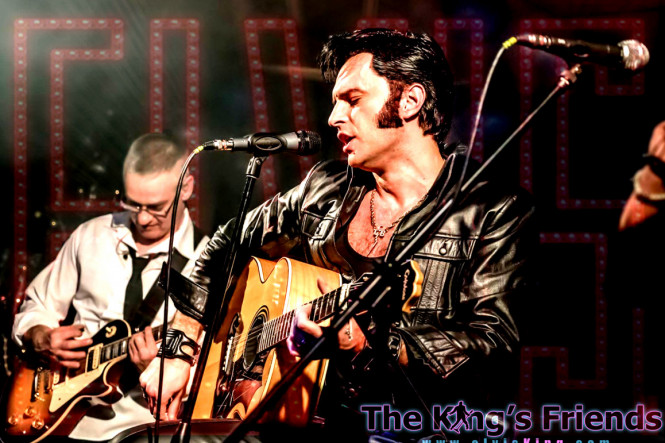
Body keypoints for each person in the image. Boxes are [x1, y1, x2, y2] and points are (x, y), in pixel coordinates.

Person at [140, 28, 536, 441]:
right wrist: (179, 347)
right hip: (299, 424)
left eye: (352, 99)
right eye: (334, 102)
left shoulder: (492, 210)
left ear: (411, 101)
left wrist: (369, 345)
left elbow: (493, 348)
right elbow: (226, 242)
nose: (333, 118)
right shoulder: (323, 188)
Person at [11, 133, 209, 441]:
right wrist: (42, 336)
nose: (143, 218)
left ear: (186, 188)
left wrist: (155, 368)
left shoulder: (207, 265)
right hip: (65, 421)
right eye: (132, 203)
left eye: (156, 206)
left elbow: (208, 374)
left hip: (145, 429)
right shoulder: (91, 235)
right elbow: (37, 305)